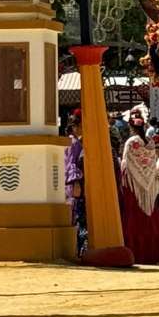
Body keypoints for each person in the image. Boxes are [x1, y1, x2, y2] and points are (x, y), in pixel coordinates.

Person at [118, 116, 159, 264]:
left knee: (134, 216)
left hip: (133, 185)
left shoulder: (131, 142)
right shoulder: (150, 143)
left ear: (131, 127)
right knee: (149, 216)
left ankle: (138, 253)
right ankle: (154, 254)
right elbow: (152, 164)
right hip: (150, 184)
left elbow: (126, 163)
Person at [64, 110, 88, 257]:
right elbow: (71, 164)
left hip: (72, 184)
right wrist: (77, 182)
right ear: (75, 126)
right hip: (74, 184)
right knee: (78, 216)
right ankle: (79, 250)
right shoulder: (73, 143)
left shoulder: (73, 141)